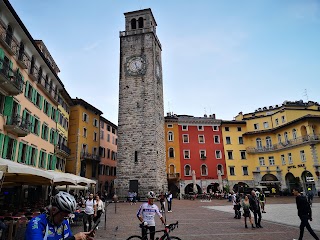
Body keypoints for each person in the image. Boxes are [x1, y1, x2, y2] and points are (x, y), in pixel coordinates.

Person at [25, 191, 94, 240]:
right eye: (63, 215)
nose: (64, 219)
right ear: (54, 210)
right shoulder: (37, 223)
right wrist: (74, 238)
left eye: (66, 216)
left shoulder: (64, 222)